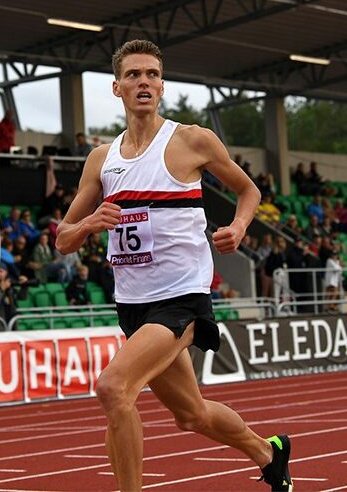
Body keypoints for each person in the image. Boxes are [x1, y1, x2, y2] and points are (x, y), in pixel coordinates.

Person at [56, 39, 292, 492]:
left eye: (151, 75)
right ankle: (269, 453)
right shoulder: (101, 160)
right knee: (192, 414)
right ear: (116, 88)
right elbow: (63, 239)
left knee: (113, 388)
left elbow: (250, 191)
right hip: (133, 305)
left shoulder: (191, 140)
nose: (143, 82)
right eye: (133, 75)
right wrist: (89, 222)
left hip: (182, 297)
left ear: (162, 86)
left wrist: (239, 228)